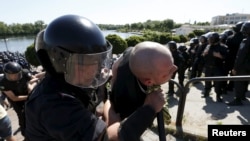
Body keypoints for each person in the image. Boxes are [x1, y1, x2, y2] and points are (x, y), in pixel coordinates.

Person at [25, 14, 168, 141]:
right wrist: (150, 107)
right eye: (86, 62)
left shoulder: (77, 81)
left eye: (99, 60)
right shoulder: (53, 103)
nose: (97, 69)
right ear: (59, 63)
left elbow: (102, 100)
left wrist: (108, 113)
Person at [104, 41, 176, 133]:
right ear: (149, 82)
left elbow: (115, 66)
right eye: (168, 72)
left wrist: (113, 84)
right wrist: (150, 108)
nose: (175, 68)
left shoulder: (132, 52)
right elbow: (125, 132)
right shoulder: (134, 103)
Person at [0, 61, 38, 138]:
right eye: (11, 75)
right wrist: (29, 96)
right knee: (22, 115)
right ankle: (26, 134)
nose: (14, 77)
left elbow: (35, 79)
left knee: (37, 111)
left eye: (16, 75)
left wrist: (31, 85)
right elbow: (14, 98)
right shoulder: (3, 83)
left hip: (28, 92)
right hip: (17, 101)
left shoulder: (25, 72)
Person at [228, 21, 250, 106]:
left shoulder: (245, 41)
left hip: (243, 66)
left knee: (238, 82)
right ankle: (243, 96)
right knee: (245, 82)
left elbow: (240, 56)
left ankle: (237, 100)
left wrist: (235, 68)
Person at [201, 32, 228, 102]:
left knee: (218, 83)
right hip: (208, 67)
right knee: (207, 82)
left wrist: (220, 56)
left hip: (218, 68)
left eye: (211, 39)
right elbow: (203, 55)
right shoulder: (208, 46)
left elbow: (227, 58)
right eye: (209, 39)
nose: (210, 41)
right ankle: (206, 93)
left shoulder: (223, 47)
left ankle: (218, 96)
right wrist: (204, 54)